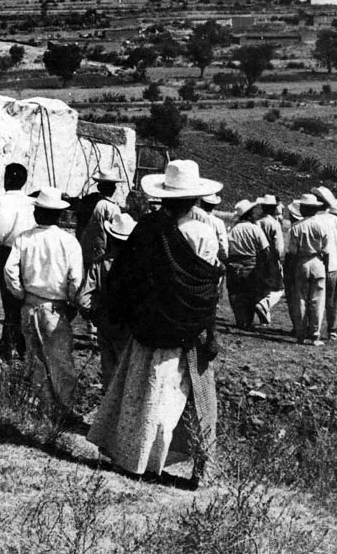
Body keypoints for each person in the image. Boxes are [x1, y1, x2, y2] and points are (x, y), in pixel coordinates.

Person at [88, 160, 222, 485]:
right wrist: (211, 332)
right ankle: (189, 468)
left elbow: (126, 278)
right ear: (195, 199)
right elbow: (207, 291)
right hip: (186, 333)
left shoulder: (148, 229)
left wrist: (126, 316)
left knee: (141, 394)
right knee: (186, 399)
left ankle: (133, 457)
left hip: (148, 328)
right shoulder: (203, 233)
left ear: (164, 197)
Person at [4, 187, 84, 420]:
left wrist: (20, 294)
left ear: (38, 213)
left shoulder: (24, 239)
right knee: (60, 362)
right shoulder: (68, 242)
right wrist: (71, 301)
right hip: (55, 308)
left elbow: (10, 270)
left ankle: (44, 408)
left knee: (35, 359)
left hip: (30, 305)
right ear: (58, 215)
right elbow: (76, 278)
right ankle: (64, 410)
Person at [0, 163, 36, 361]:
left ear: (6, 179)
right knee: (23, 299)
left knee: (9, 300)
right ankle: (16, 345)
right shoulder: (31, 203)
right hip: (26, 253)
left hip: (5, 253)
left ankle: (10, 346)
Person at [77, 213, 136, 388]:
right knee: (127, 369)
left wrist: (93, 314)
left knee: (109, 366)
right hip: (128, 325)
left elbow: (83, 299)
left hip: (106, 321)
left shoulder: (99, 264)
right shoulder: (137, 265)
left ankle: (108, 403)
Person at [288, 194, 328, 345]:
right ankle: (314, 334)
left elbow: (292, 251)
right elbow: (326, 248)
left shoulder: (296, 227)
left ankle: (300, 333)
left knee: (301, 299)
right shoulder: (321, 225)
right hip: (317, 261)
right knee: (317, 300)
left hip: (302, 262)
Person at [226, 199, 270, 330]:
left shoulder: (232, 229)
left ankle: (239, 319)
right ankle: (248, 321)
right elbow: (265, 249)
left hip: (234, 263)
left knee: (235, 292)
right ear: (249, 214)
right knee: (250, 293)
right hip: (251, 263)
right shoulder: (255, 229)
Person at [312, 186, 337, 341]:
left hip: (317, 263)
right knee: (332, 300)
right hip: (334, 264)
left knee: (314, 298)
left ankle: (312, 328)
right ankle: (332, 328)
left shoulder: (312, 220)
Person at [78, 170, 123, 269]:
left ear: (98, 187)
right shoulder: (113, 208)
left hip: (85, 250)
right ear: (114, 189)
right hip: (101, 256)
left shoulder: (88, 201)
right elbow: (118, 232)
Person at [255, 194, 284, 325]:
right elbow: (278, 247)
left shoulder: (257, 222)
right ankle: (265, 305)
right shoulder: (274, 223)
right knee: (278, 288)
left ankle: (265, 318)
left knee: (262, 287)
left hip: (258, 257)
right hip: (271, 258)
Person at [283, 200, 303, 338]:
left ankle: (298, 326)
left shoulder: (293, 229)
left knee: (293, 296)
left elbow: (288, 250)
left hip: (293, 262)